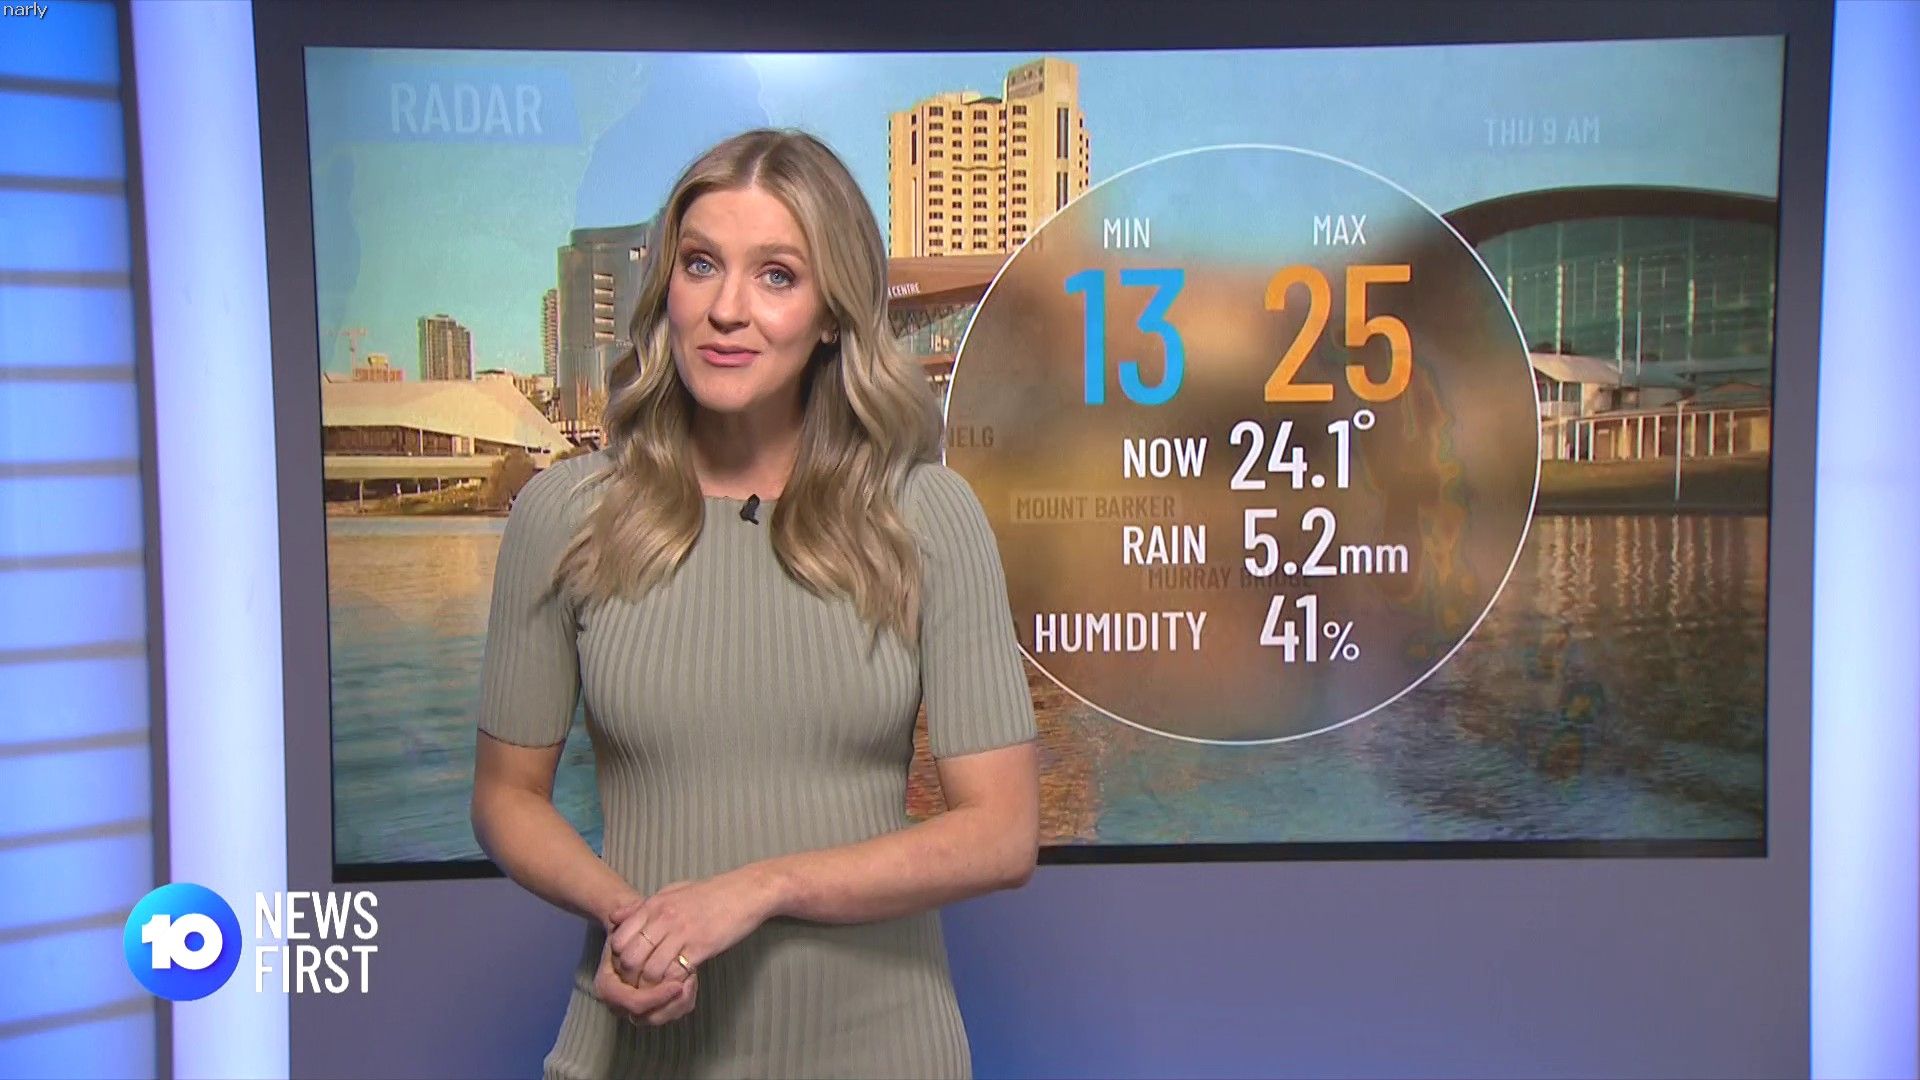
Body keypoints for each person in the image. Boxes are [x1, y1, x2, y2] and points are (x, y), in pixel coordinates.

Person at [469, 128, 1040, 1079]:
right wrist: (634, 922)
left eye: (777, 275)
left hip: (884, 1056)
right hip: (634, 1054)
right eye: (701, 265)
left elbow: (1002, 833)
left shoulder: (925, 516)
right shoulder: (565, 513)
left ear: (832, 314)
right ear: (667, 288)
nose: (727, 309)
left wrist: (760, 889)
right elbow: (505, 794)